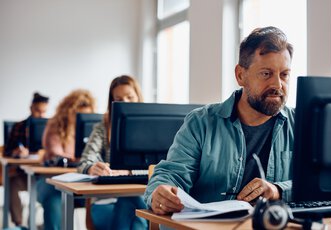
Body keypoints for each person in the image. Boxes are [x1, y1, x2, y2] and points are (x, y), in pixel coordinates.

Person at [144, 26, 295, 215]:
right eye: (266, 74)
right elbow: (172, 174)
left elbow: (320, 184)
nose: (277, 85)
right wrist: (161, 192)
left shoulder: (301, 125)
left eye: (284, 74)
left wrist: (278, 190)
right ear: (241, 75)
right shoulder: (201, 122)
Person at [77, 75, 148, 230]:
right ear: (112, 102)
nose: (126, 103)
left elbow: (161, 166)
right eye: (120, 99)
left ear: (138, 97)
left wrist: (129, 171)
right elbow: (84, 162)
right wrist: (91, 168)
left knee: (133, 207)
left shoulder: (151, 128)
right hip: (106, 201)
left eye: (130, 97)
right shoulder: (102, 128)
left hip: (143, 199)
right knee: (134, 210)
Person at [37, 89, 95, 230]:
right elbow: (56, 152)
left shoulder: (94, 129)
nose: (81, 119)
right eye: (78, 114)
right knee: (54, 200)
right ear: (68, 111)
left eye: (85, 115)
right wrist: (82, 159)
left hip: (82, 181)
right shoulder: (55, 126)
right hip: (52, 181)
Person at [4, 92, 49, 227]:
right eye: (38, 111)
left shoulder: (50, 127)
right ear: (31, 108)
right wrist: (17, 153)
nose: (41, 115)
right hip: (23, 174)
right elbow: (7, 151)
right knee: (11, 184)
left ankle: (34, 224)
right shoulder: (19, 126)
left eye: (44, 111)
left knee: (52, 190)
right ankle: (18, 224)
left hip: (43, 175)